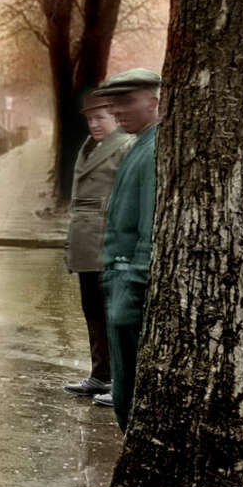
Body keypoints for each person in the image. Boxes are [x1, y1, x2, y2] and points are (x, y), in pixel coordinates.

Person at [92, 67, 162, 429]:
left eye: (128, 101)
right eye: (114, 103)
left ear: (154, 101)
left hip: (130, 286)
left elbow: (150, 228)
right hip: (119, 278)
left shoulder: (153, 150)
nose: (118, 110)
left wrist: (131, 288)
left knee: (130, 394)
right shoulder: (142, 144)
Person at [62, 94, 135, 397]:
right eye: (90, 119)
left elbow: (130, 197)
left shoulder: (125, 147)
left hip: (108, 243)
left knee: (113, 315)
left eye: (100, 118)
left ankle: (122, 382)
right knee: (92, 310)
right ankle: (100, 374)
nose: (94, 124)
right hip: (85, 244)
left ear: (116, 117)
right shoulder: (90, 147)